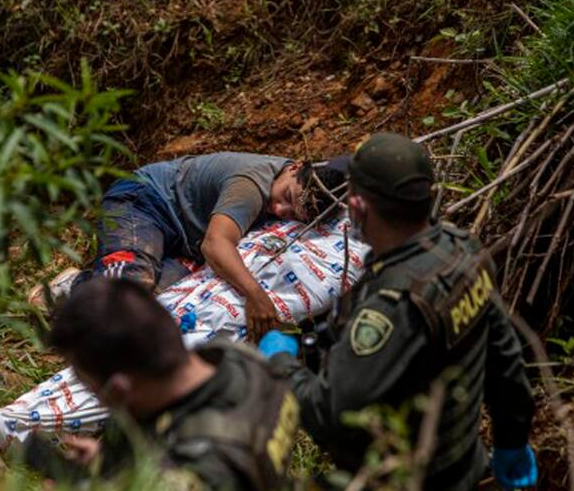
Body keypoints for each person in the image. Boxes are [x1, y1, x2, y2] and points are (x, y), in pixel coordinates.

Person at [258, 133, 538, 490]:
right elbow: (506, 361)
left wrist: (280, 363)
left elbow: (332, 417)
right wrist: (512, 440)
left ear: (357, 208)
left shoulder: (392, 307)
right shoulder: (464, 252)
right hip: (462, 464)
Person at [29, 152, 345, 338]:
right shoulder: (251, 186)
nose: (280, 211)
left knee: (157, 304)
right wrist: (256, 297)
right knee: (128, 289)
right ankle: (71, 288)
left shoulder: (294, 193)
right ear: (294, 167)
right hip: (144, 202)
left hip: (186, 242)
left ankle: (92, 285)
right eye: (286, 198)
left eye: (293, 214)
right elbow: (216, 245)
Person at [39, 277, 300, 490]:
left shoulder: (198, 471)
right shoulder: (239, 360)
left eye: (89, 385)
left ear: (118, 390)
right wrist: (109, 464)